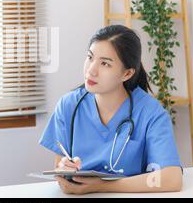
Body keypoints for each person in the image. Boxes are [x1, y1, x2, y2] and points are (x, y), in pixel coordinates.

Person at [39, 25, 182, 194]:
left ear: (127, 74)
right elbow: (60, 168)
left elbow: (172, 178)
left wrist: (101, 186)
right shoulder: (68, 105)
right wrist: (64, 169)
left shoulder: (150, 112)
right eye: (90, 57)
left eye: (105, 63)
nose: (91, 70)